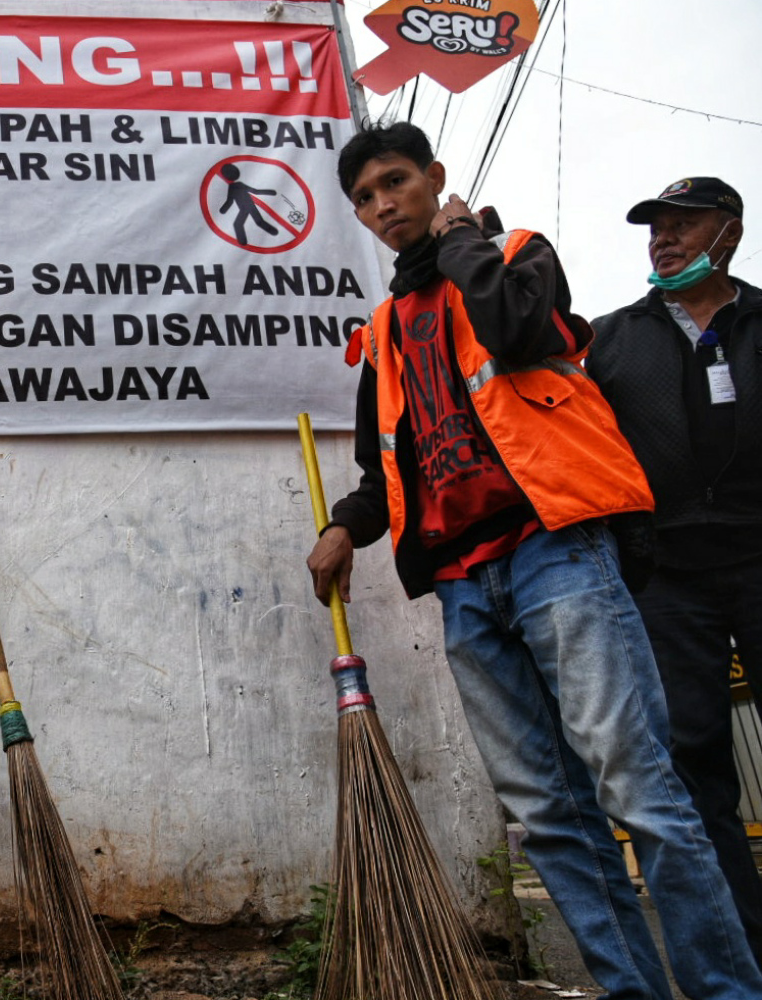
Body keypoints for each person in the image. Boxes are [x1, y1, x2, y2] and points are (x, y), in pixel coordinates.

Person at [305, 122, 762, 998]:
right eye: (364, 198)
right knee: (550, 818)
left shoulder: (514, 253)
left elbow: (518, 330)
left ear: (433, 180)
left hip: (557, 553)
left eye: (396, 183)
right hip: (464, 588)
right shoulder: (387, 331)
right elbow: (384, 467)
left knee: (640, 792)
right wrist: (344, 527)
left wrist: (465, 240)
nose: (382, 206)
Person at [587, 177, 762, 968]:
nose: (664, 239)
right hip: (667, 576)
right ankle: (748, 947)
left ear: (728, 233)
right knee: (693, 755)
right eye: (657, 228)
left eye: (684, 225)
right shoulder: (616, 337)